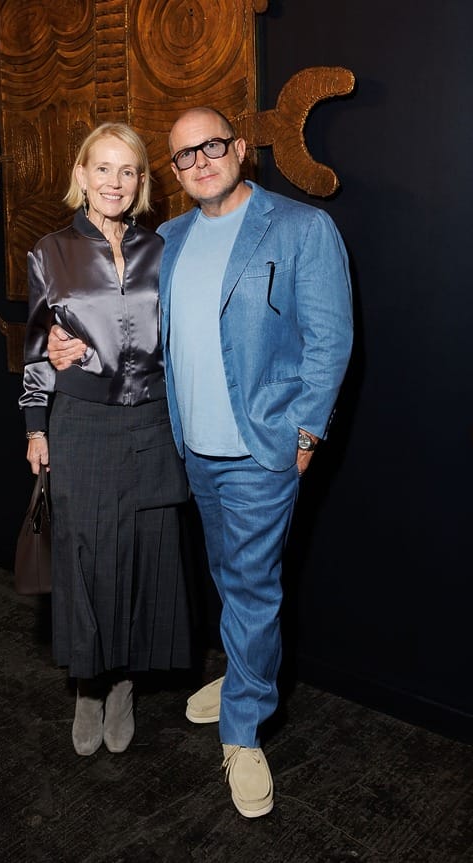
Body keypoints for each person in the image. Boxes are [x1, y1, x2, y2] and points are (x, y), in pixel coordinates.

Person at [47, 107, 353, 818]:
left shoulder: (302, 229)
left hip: (259, 450)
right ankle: (248, 673)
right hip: (189, 447)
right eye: (184, 156)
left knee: (250, 584)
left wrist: (304, 435)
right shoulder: (170, 239)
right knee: (225, 573)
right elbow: (124, 326)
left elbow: (329, 343)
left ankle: (243, 731)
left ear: (239, 149)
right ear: (176, 173)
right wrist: (63, 346)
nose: (200, 161)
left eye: (212, 146)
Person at [19, 122, 192, 760]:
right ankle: (89, 687)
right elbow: (38, 350)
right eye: (103, 169)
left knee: (147, 557)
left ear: (141, 181)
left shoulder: (164, 249)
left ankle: (123, 685)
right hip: (83, 422)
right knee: (88, 558)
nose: (115, 182)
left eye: (128, 171)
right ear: (83, 176)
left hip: (151, 422)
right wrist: (35, 426)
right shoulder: (50, 251)